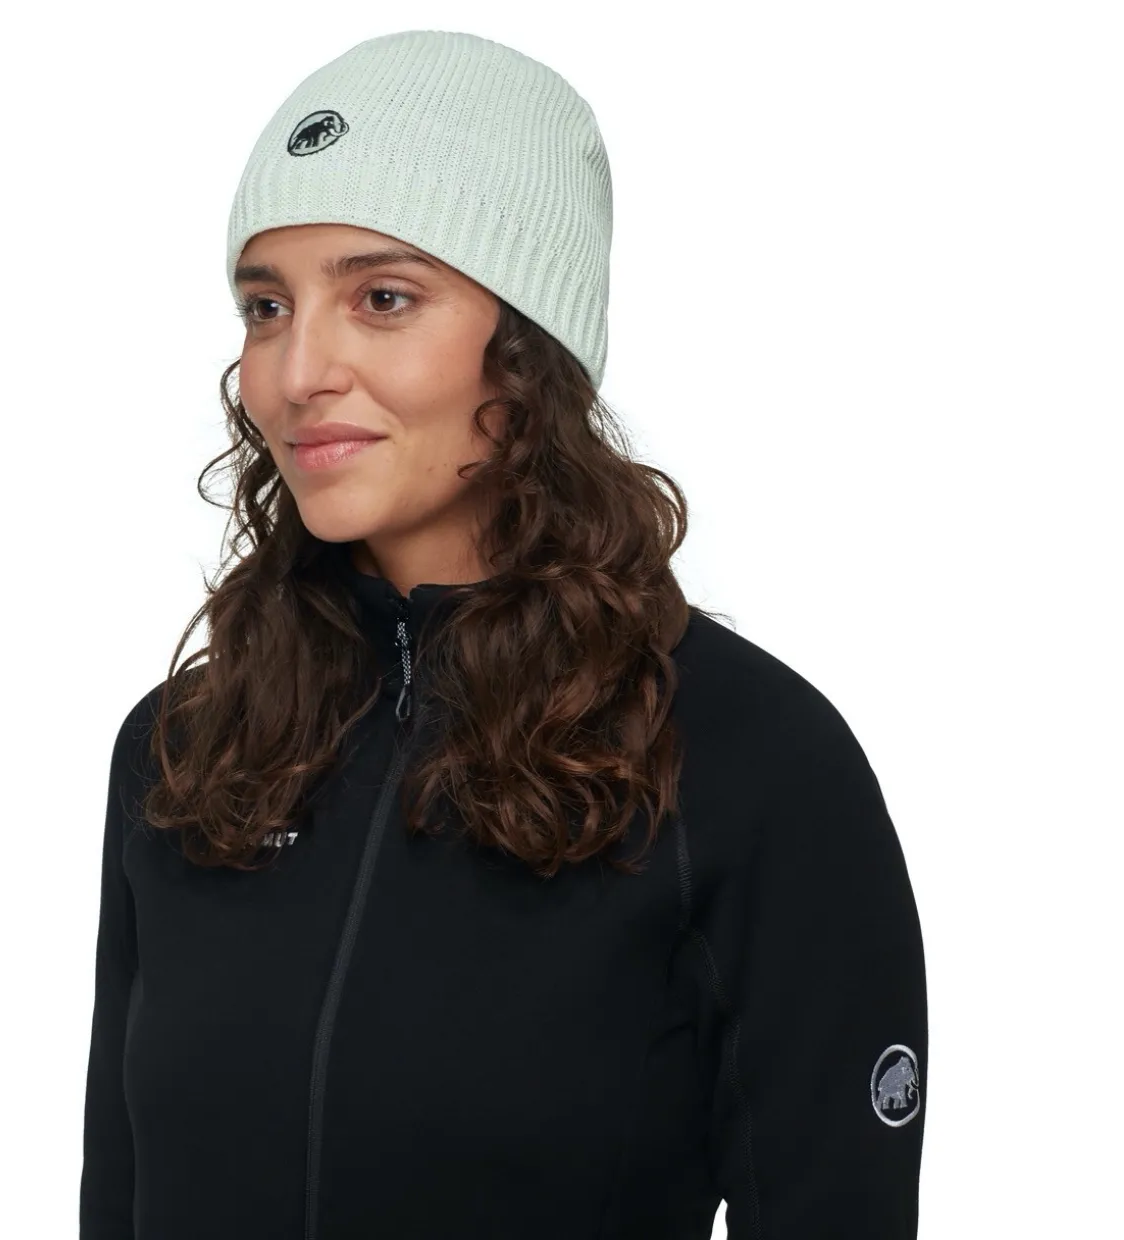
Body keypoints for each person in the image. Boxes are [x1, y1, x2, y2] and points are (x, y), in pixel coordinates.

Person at [79, 29, 927, 1240]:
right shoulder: (186, 746)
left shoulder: (745, 758)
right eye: (266, 307)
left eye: (382, 298)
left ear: (528, 344)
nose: (297, 370)